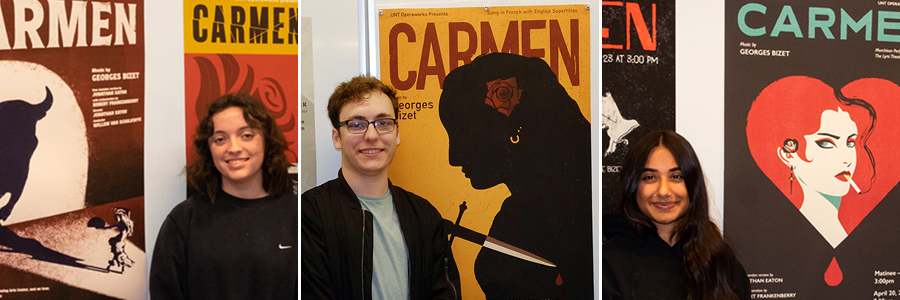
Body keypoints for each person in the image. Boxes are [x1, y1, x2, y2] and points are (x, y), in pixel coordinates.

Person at [439, 52, 592, 298]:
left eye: (462, 134)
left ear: (513, 130)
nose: (453, 157)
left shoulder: (537, 217)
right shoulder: (524, 214)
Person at [301, 75, 461, 299]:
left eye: (383, 123)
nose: (372, 135)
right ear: (337, 137)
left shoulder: (425, 216)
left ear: (397, 134)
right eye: (356, 124)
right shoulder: (310, 215)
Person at [150, 93, 297, 299]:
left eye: (246, 135)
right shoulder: (184, 221)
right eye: (220, 139)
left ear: (266, 141)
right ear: (209, 150)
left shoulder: (298, 216)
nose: (234, 148)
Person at [603, 130, 750, 300]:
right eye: (650, 177)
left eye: (676, 176)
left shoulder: (721, 261)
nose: (664, 191)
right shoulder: (607, 266)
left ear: (693, 185)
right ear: (633, 185)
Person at [746, 76, 875, 248]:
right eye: (826, 143)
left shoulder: (843, 232)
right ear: (788, 154)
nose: (846, 158)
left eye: (850, 142)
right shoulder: (786, 237)